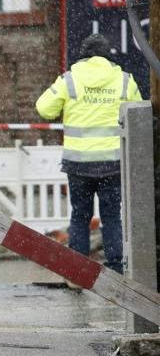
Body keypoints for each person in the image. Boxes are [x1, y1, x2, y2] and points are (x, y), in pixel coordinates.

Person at [36, 33, 142, 274]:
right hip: (112, 164)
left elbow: (43, 108)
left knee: (81, 217)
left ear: (84, 56)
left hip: (78, 165)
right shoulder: (125, 81)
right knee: (112, 217)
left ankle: (77, 273)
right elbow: (139, 115)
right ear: (107, 56)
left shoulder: (69, 81)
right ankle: (116, 269)